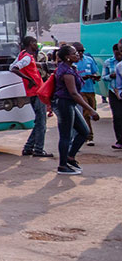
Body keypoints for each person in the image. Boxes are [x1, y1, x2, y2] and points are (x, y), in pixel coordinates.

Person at [52, 45, 99, 175]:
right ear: (67, 57)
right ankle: (62, 165)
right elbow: (74, 93)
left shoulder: (70, 68)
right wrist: (91, 110)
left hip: (69, 103)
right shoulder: (66, 72)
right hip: (64, 103)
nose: (78, 55)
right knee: (66, 135)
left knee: (84, 131)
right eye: (74, 53)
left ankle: (70, 157)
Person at [10, 36, 53, 157]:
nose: (36, 45)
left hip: (34, 92)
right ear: (30, 43)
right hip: (36, 91)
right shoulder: (27, 57)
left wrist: (37, 65)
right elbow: (14, 68)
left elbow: (11, 67)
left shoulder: (23, 55)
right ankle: (38, 149)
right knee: (41, 123)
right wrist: (29, 79)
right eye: (35, 43)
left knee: (39, 122)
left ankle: (29, 147)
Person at [72, 42, 100, 146]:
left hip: (90, 89)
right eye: (78, 51)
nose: (80, 53)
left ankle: (82, 132)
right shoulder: (73, 63)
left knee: (92, 110)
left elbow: (95, 71)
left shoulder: (89, 60)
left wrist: (94, 76)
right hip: (80, 90)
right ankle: (89, 136)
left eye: (82, 51)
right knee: (86, 112)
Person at [103, 44, 122, 150]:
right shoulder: (108, 62)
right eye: (118, 53)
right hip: (114, 92)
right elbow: (104, 77)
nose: (119, 55)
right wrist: (111, 76)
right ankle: (119, 140)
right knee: (117, 116)